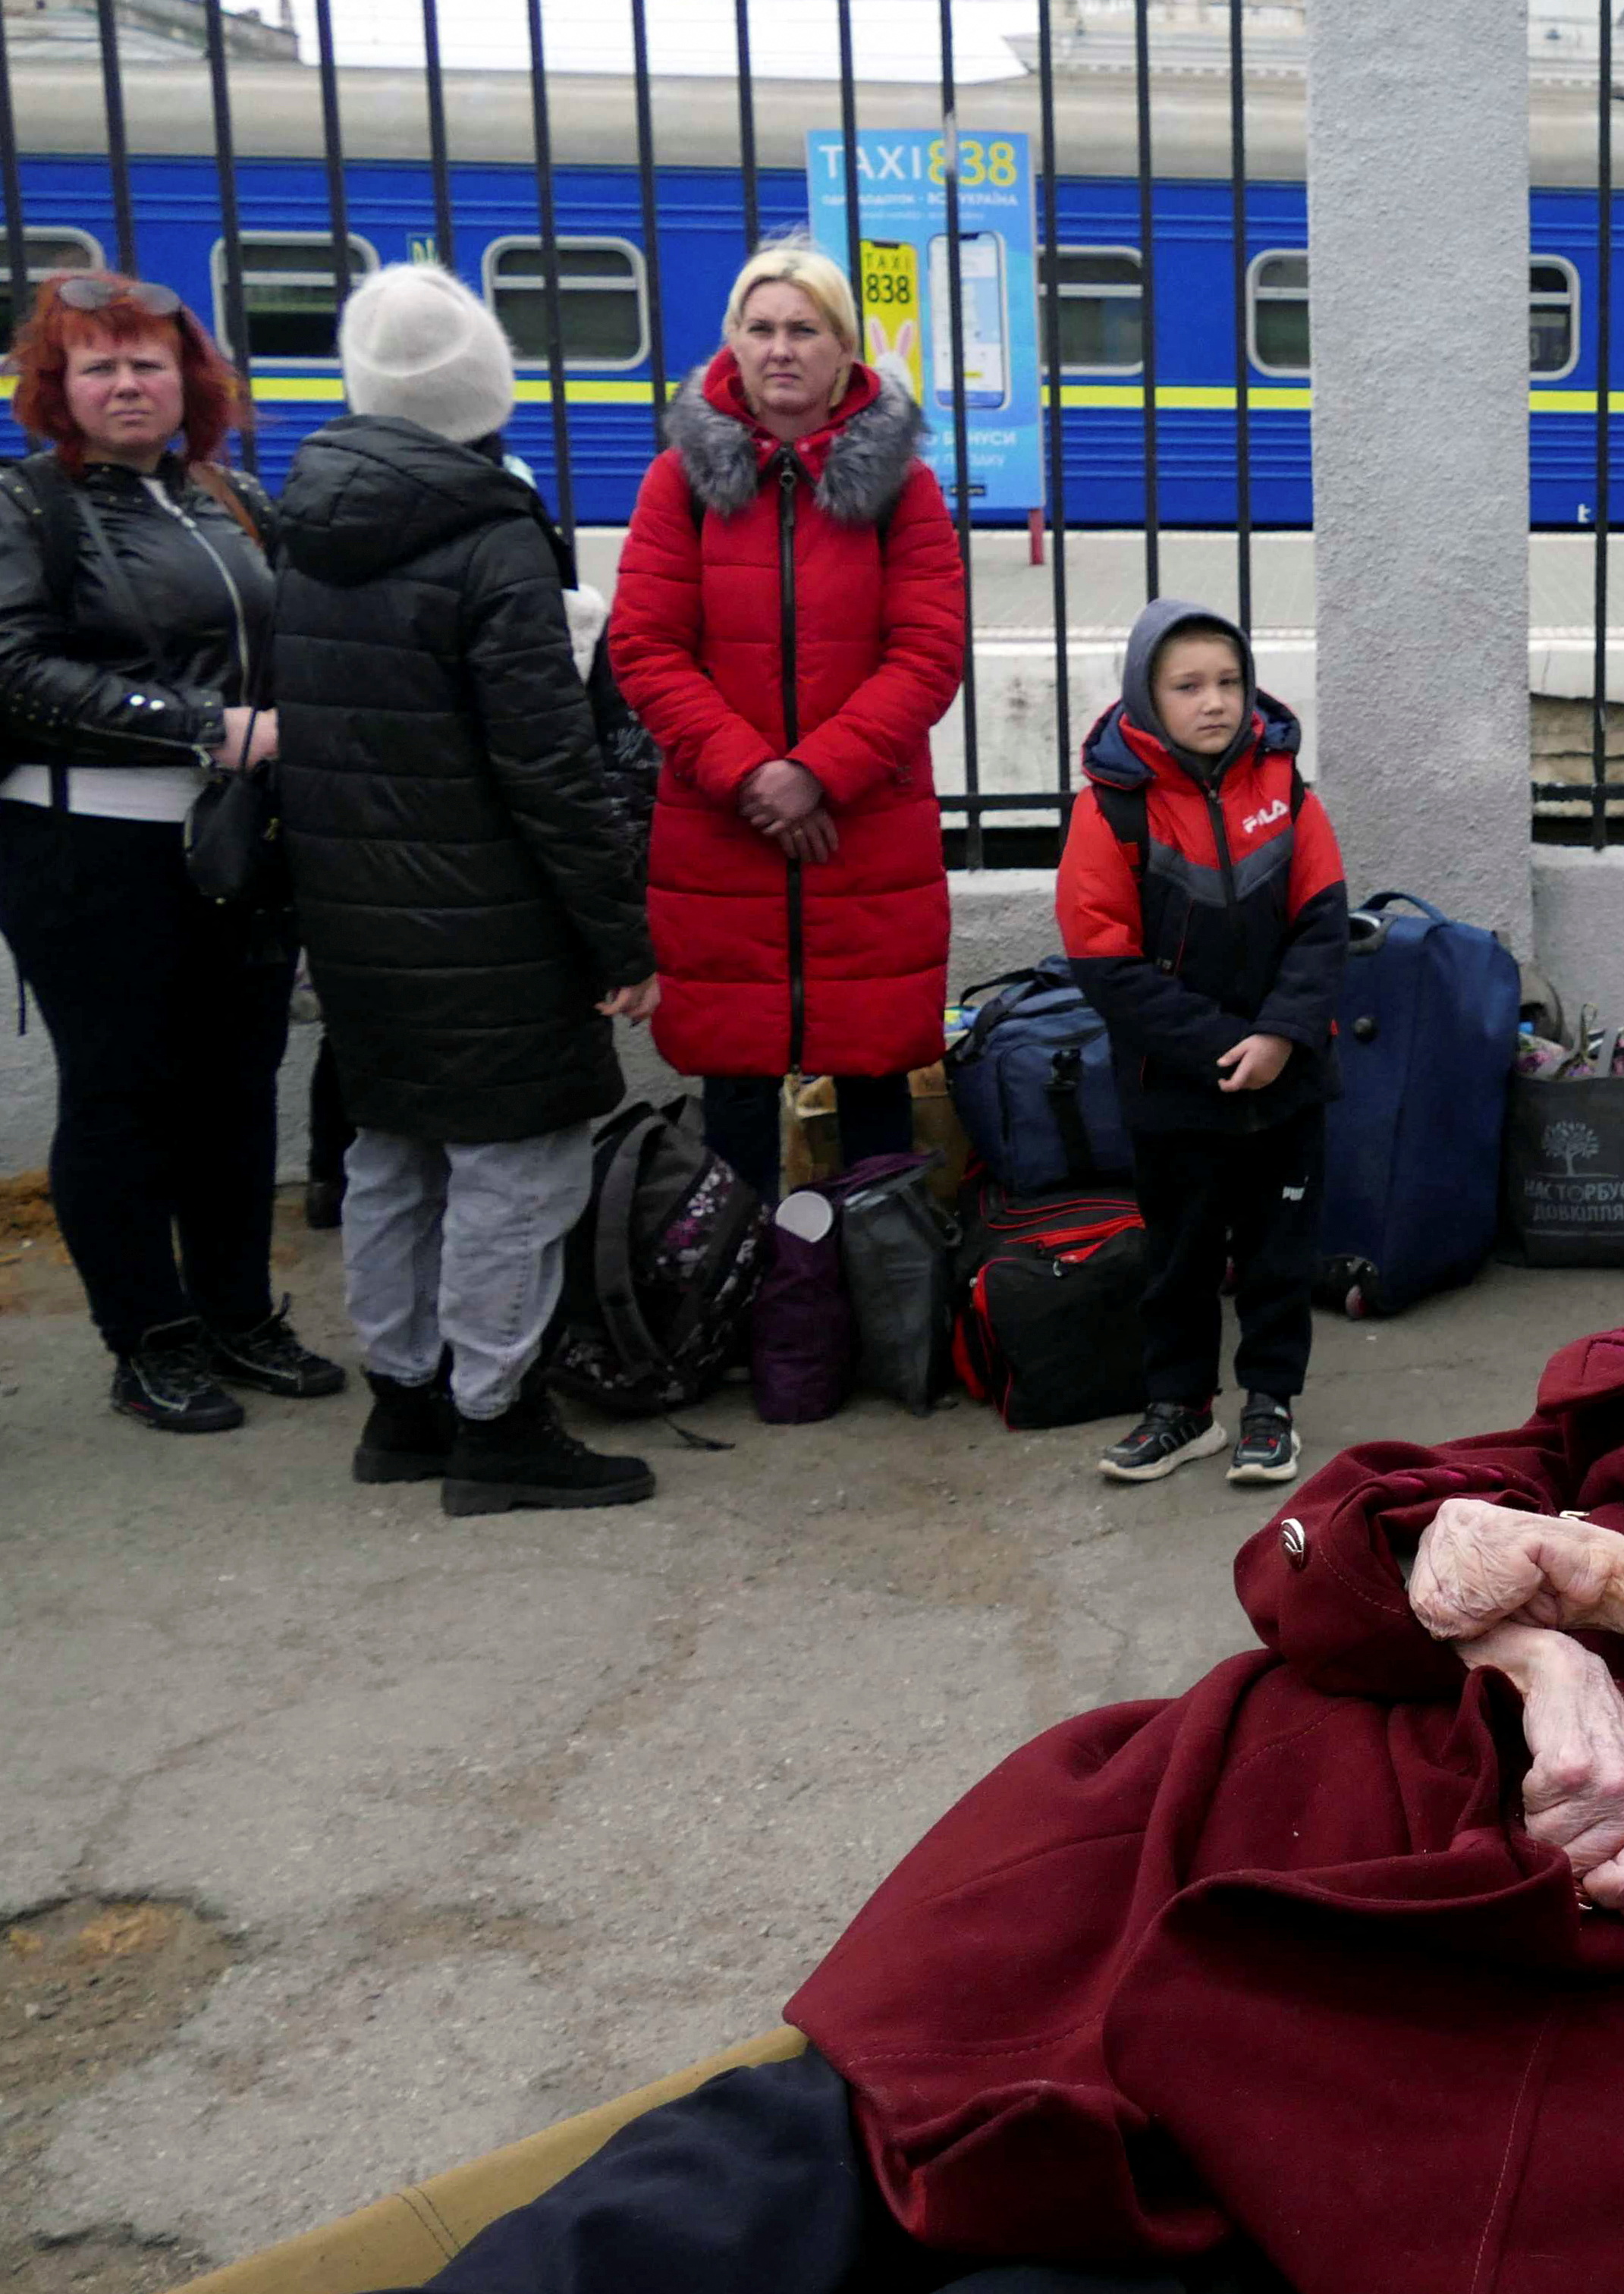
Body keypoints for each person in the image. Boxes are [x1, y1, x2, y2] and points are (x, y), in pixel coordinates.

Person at [59, 1089, 1624, 2294]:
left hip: (1547, 2001)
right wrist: (1529, 1633)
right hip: (1224, 1834)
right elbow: (1315, 1546)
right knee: (765, 2165)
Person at [272, 263, 663, 1516]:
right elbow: (549, 765)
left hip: (355, 915)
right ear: (482, 387)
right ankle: (498, 1421)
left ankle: (405, 1403)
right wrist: (618, 935)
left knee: (393, 1154)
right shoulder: (491, 533)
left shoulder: (310, 523)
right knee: (518, 1169)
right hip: (491, 921)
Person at [0, 266, 344, 1433]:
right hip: (86, 847)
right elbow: (15, 669)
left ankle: (238, 1312)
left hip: (233, 846)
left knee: (238, 1091)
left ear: (187, 378)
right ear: (58, 386)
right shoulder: (28, 506)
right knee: (120, 1095)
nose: (126, 383)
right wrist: (205, 725)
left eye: (147, 361)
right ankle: (147, 1336)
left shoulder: (229, 496)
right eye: (97, 365)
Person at [608, 242, 966, 1202]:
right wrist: (757, 777)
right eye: (760, 328)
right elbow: (643, 648)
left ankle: (879, 1315)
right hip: (724, 835)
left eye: (804, 329)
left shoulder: (905, 491)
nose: (780, 349)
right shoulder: (678, 483)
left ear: (845, 349)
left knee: (876, 1086)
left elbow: (929, 653)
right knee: (736, 1101)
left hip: (863, 831)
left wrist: (818, 772)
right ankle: (749, 1311)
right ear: (732, 343)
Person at [1057, 600, 1347, 1488]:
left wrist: (1280, 1037)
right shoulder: (1111, 810)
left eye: (1229, 681)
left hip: (1287, 1082)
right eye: (1187, 686)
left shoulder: (1287, 791)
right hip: (1175, 1089)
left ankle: (1270, 1404)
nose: (1213, 702)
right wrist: (1227, 1045)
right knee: (1178, 1258)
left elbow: (1324, 927)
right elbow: (1103, 961)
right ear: (1147, 696)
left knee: (1277, 1253)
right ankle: (1181, 1410)